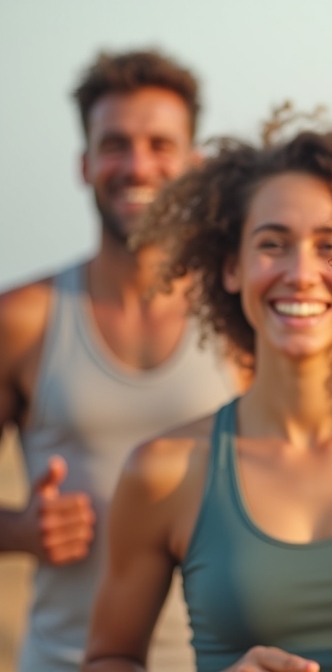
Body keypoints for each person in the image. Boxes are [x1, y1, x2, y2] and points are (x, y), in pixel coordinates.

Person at [81, 119, 332, 672]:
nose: (301, 273)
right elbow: (108, 658)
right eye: (273, 244)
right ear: (232, 268)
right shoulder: (166, 471)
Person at [0, 50, 238, 672]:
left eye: (160, 144)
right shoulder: (24, 319)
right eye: (115, 144)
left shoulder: (243, 321)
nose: (137, 166)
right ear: (84, 163)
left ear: (193, 164)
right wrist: (20, 531)